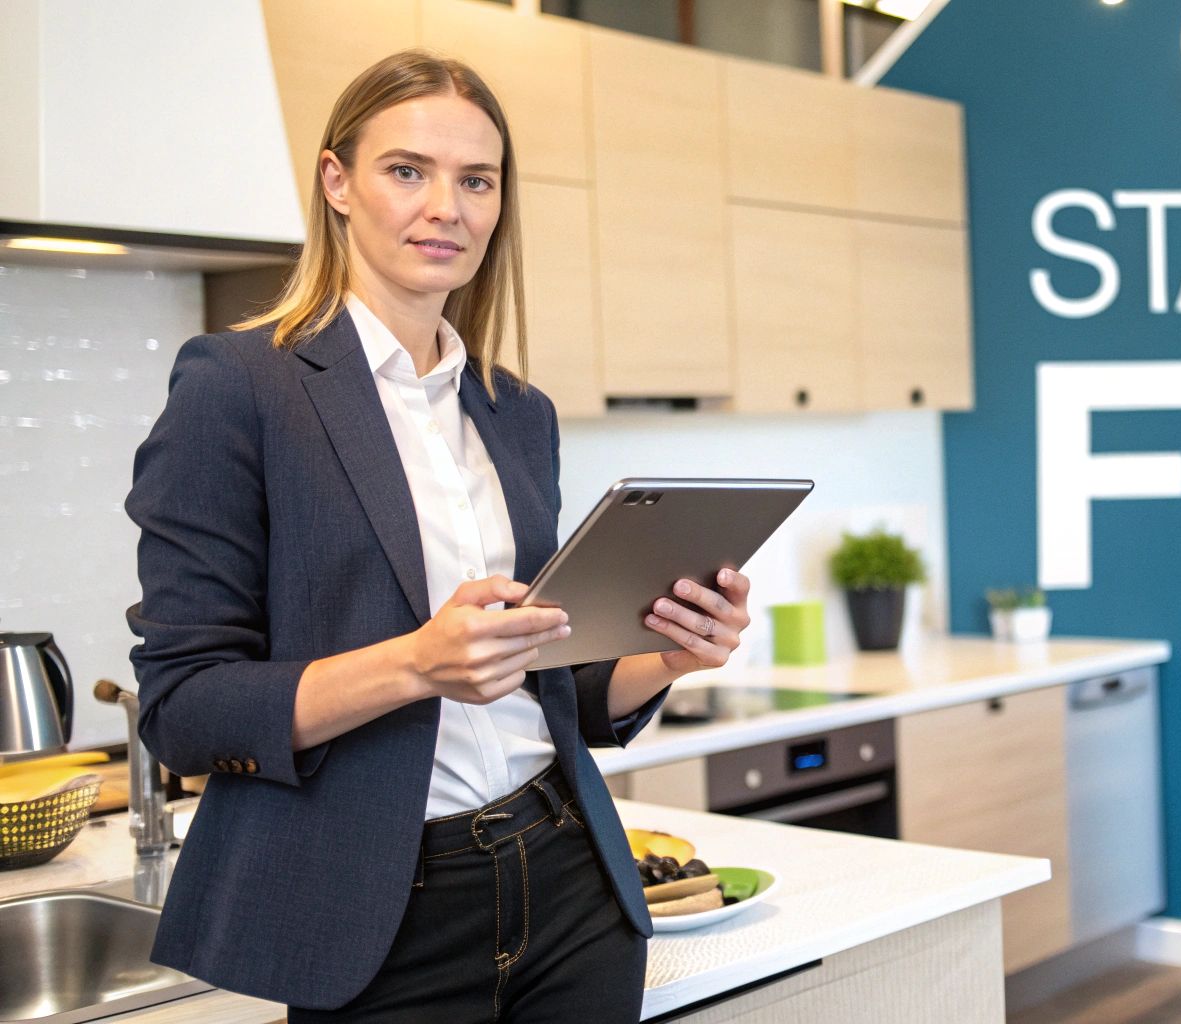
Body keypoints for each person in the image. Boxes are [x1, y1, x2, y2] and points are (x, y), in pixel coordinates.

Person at [122, 49, 749, 1021]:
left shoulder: (514, 412)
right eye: (406, 170)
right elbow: (186, 707)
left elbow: (556, 685)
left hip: (569, 876)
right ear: (337, 181)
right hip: (379, 913)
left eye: (476, 180)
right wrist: (417, 663)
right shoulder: (238, 388)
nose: (445, 207)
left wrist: (665, 654)